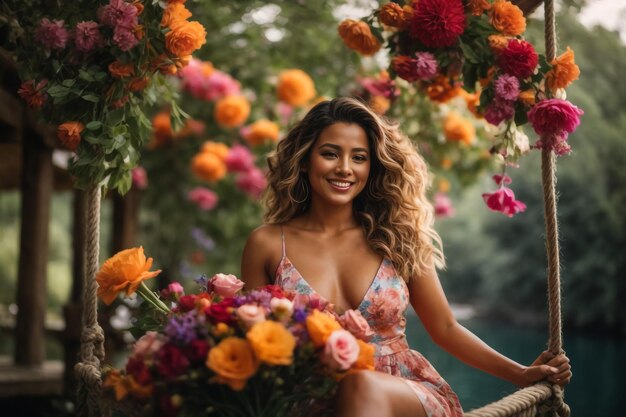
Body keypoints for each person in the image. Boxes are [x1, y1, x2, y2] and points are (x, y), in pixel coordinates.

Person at [240, 97, 571, 417]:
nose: (344, 168)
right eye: (330, 154)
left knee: (360, 385)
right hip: (308, 398)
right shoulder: (268, 244)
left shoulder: (398, 237)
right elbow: (253, 341)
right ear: (305, 158)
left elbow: (444, 327)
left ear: (373, 166)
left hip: (403, 391)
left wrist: (521, 374)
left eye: (359, 157)